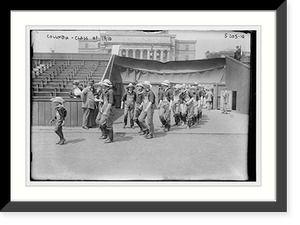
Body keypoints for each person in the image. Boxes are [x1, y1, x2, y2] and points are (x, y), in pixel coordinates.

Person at [99, 79, 116, 143]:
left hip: (110, 109)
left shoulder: (110, 92)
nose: (102, 85)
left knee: (109, 123)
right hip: (106, 108)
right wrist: (103, 108)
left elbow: (110, 103)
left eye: (103, 85)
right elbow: (105, 101)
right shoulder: (106, 91)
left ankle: (110, 138)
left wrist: (106, 110)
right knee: (101, 122)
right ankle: (106, 134)